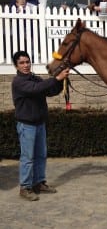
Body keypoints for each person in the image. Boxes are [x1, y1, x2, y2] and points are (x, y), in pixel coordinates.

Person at [11, 50, 69, 201]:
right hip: (26, 125)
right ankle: (25, 187)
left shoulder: (35, 79)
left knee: (40, 156)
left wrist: (61, 81)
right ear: (16, 66)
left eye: (27, 62)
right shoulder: (19, 82)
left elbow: (48, 90)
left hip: (39, 124)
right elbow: (36, 89)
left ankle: (38, 183)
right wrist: (56, 78)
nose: (25, 65)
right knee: (28, 157)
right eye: (22, 63)